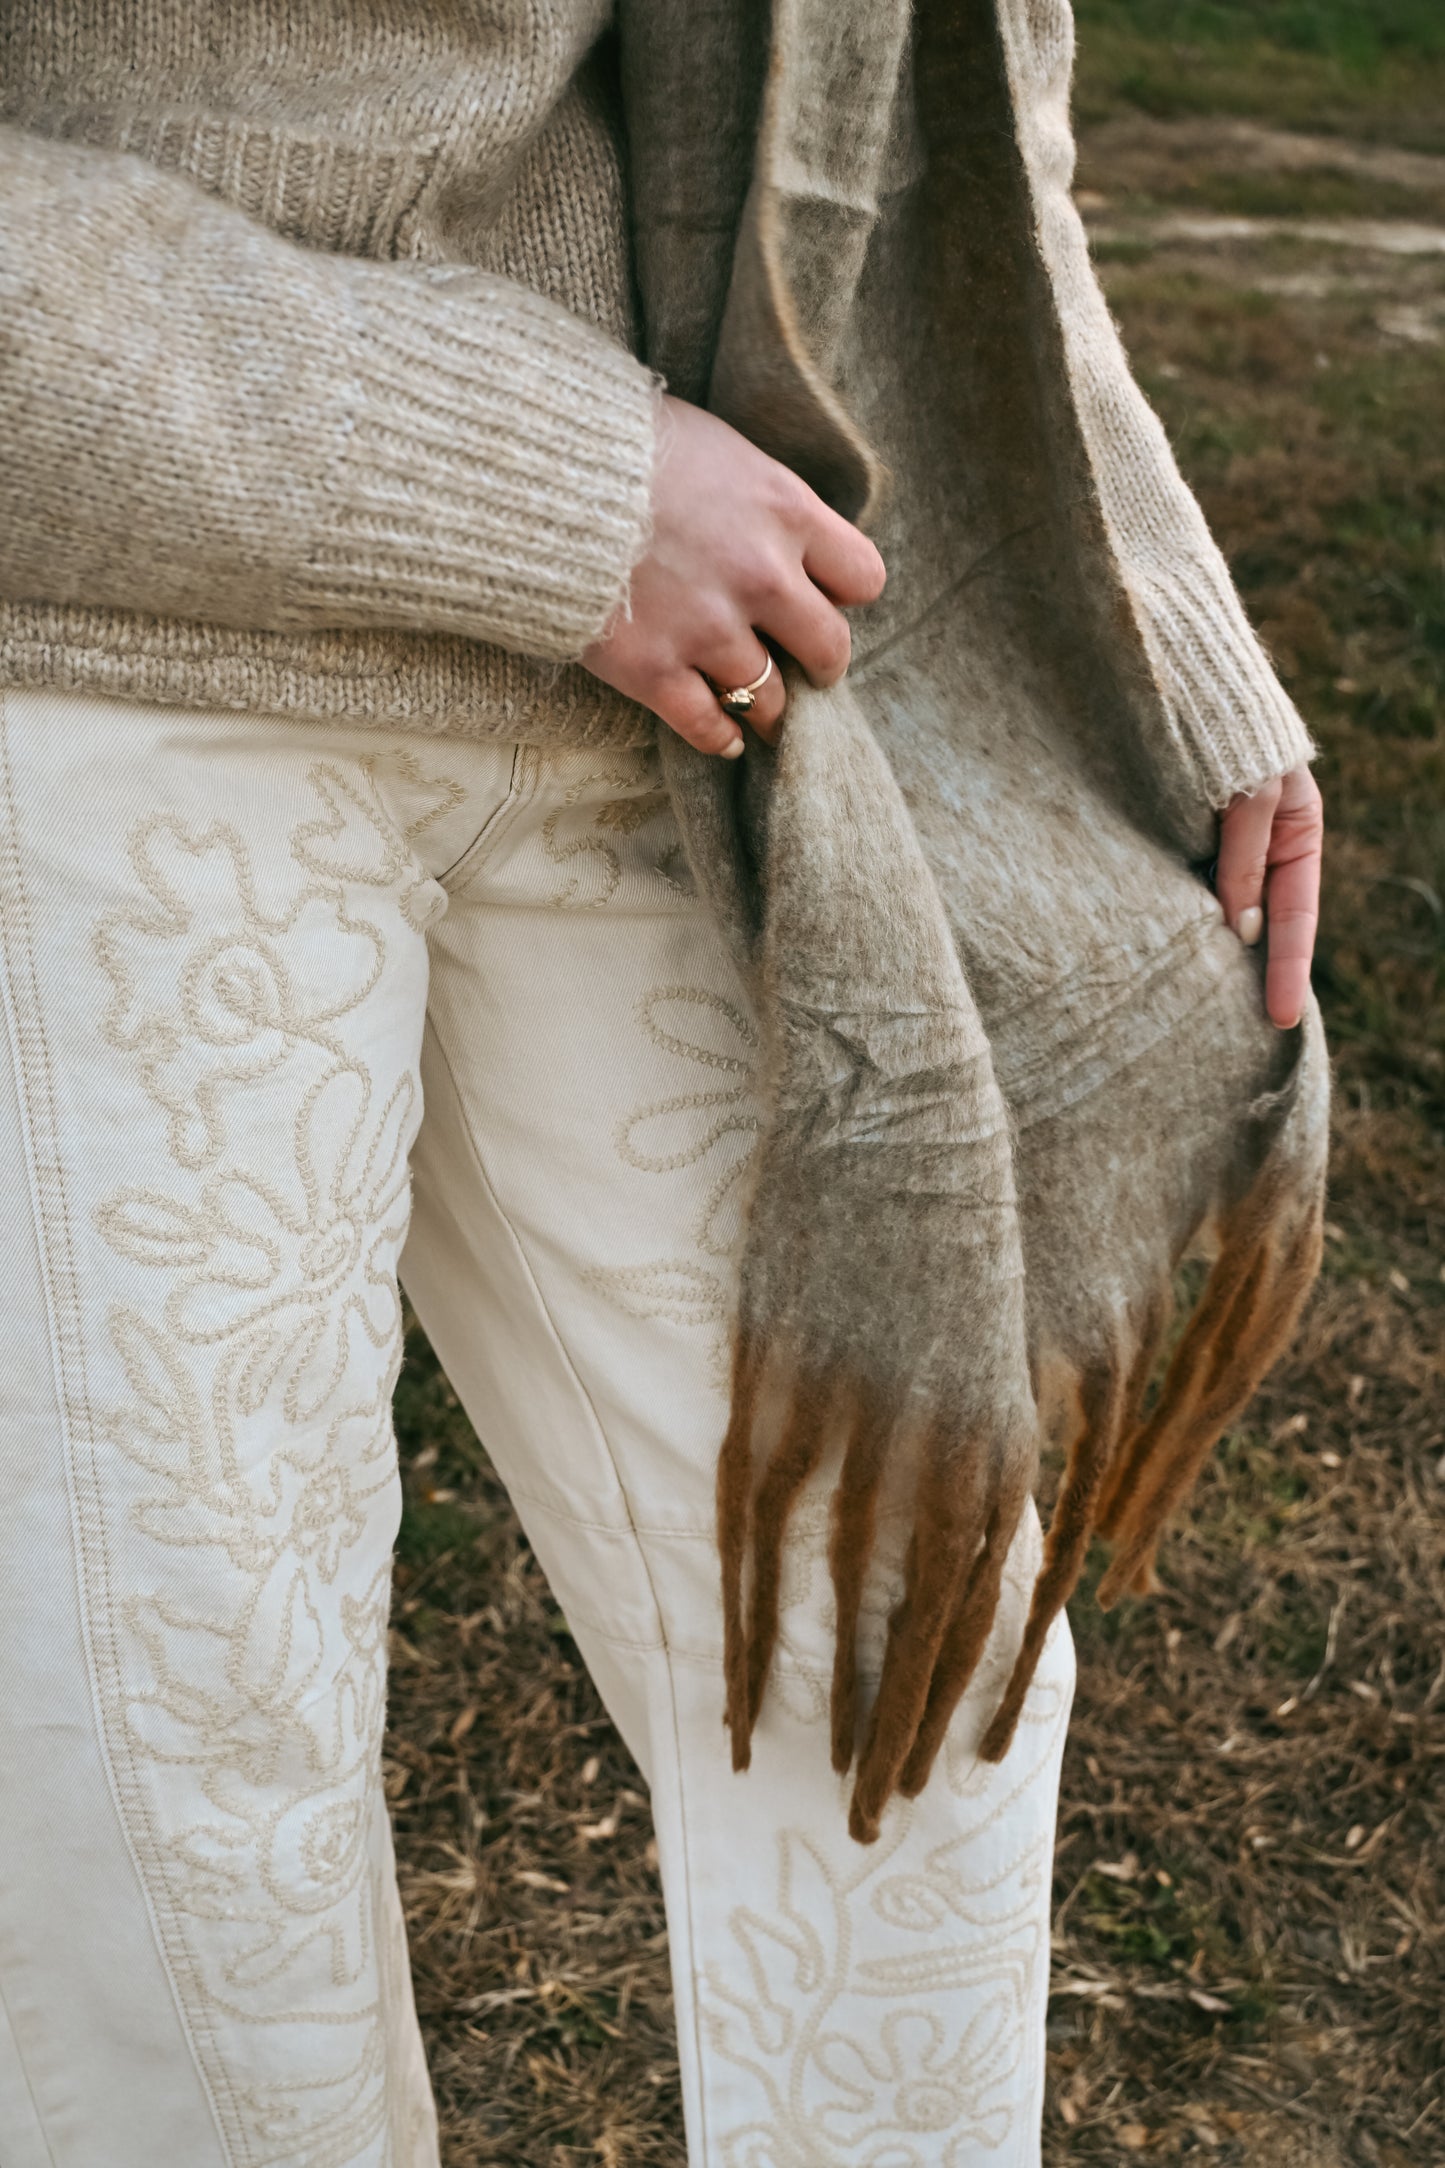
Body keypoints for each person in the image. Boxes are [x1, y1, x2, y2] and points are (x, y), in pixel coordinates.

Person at [0, 4, 1321, 2163]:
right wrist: (541, 475)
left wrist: (1156, 617)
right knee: (178, 1766)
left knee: (910, 1630)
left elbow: (954, 108)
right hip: (104, 629)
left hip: (676, 674)